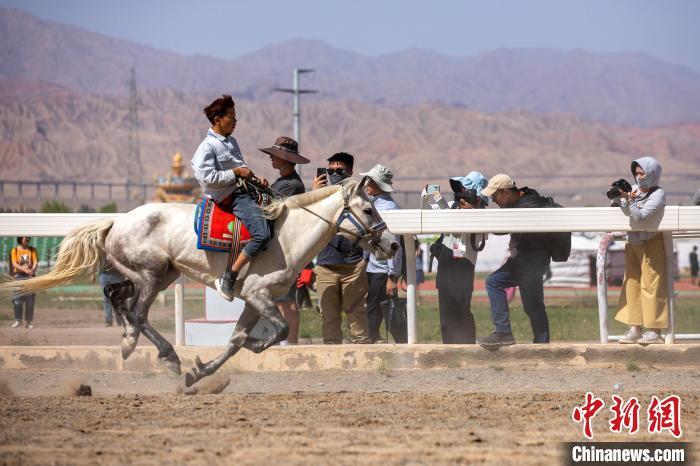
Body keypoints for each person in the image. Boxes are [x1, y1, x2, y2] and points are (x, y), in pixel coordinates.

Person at [191, 94, 270, 301]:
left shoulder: (231, 141)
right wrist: (236, 173)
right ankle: (230, 276)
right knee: (262, 234)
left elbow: (241, 168)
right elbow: (207, 178)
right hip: (232, 197)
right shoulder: (207, 147)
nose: (235, 122)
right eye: (231, 117)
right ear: (218, 119)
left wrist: (254, 178)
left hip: (245, 190)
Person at [476, 174, 554, 348]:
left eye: (494, 196)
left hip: (528, 260)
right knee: (533, 305)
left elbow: (502, 229)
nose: (493, 200)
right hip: (535, 260)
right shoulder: (528, 200)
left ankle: (503, 333)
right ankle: (542, 345)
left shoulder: (526, 205)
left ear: (505, 193)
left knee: (493, 283)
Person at [311, 152, 371, 344]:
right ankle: (332, 359)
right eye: (330, 170)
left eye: (339, 170)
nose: (334, 174)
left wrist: (365, 260)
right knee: (329, 316)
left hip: (352, 266)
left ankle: (362, 358)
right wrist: (314, 195)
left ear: (350, 171)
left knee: (357, 314)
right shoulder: (322, 196)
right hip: (326, 266)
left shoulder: (358, 196)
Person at [259, 136, 310, 344]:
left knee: (285, 299)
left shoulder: (292, 185)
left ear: (285, 159)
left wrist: (263, 191)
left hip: (285, 247)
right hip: (280, 245)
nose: (272, 159)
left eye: (275, 156)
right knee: (278, 298)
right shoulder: (283, 182)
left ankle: (290, 343)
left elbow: (272, 207)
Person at [430, 171, 489, 344]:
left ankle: (466, 345)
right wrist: (435, 196)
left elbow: (480, 240)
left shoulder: (484, 214)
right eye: (462, 188)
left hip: (464, 262)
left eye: (467, 189)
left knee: (462, 307)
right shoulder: (453, 206)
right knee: (446, 308)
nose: (462, 192)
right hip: (448, 258)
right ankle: (449, 346)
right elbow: (441, 220)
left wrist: (472, 214)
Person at [614, 156, 668, 344]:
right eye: (636, 173)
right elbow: (628, 212)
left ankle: (655, 330)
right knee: (632, 284)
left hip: (651, 242)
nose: (638, 177)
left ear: (652, 173)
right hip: (632, 242)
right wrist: (622, 199)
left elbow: (641, 216)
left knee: (651, 285)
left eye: (642, 173)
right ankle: (635, 327)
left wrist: (629, 201)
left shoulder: (657, 194)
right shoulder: (635, 191)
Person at [360, 164, 402, 343]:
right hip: (373, 267)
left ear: (377, 184)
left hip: (382, 270)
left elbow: (394, 244)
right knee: (373, 307)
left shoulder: (389, 209)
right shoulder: (375, 205)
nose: (366, 183)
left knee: (375, 309)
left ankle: (373, 340)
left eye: (369, 180)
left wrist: (392, 276)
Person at [10, 237, 38, 328]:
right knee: (17, 300)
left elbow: (35, 262)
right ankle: (18, 320)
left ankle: (28, 322)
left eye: (27, 237)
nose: (27, 239)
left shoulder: (32, 249)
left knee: (30, 301)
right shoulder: (15, 250)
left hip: (30, 277)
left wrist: (32, 271)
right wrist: (25, 270)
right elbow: (14, 264)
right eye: (25, 237)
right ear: (20, 238)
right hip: (19, 276)